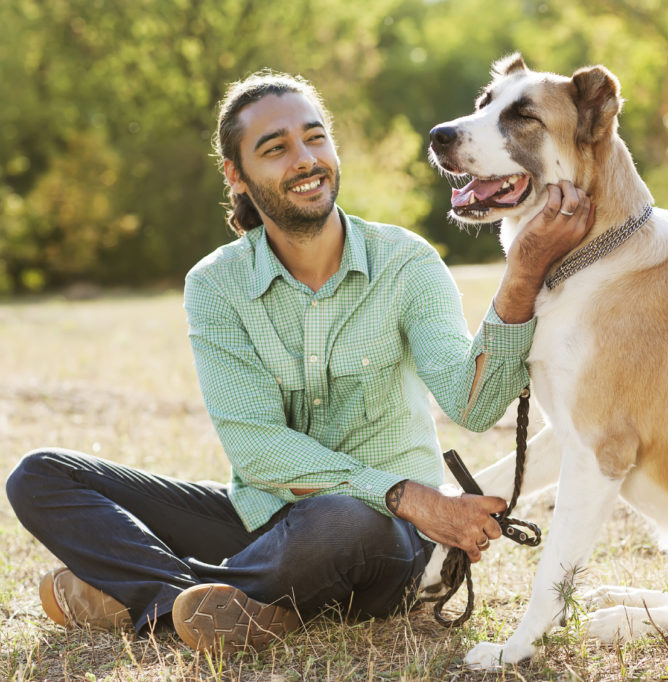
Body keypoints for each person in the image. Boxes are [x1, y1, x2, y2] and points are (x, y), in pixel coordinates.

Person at [5, 70, 593, 652]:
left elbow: (475, 403)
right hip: (271, 517)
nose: (305, 159)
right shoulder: (216, 285)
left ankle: (158, 591)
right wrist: (409, 493)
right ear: (236, 174)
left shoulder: (406, 263)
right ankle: (188, 602)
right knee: (40, 476)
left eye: (315, 138)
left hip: (385, 539)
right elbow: (257, 447)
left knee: (339, 519)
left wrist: (522, 275)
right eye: (275, 148)